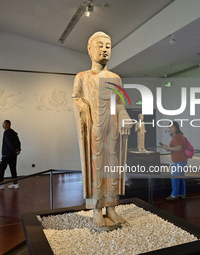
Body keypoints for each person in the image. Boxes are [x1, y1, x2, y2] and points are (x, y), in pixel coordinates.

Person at [72, 31, 132, 228]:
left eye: (108, 46)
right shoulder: (82, 77)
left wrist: (124, 118)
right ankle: (97, 210)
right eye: (100, 45)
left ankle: (112, 208)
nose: (105, 49)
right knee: (96, 169)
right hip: (93, 130)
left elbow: (120, 104)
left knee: (112, 168)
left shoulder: (115, 78)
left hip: (112, 130)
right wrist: (81, 107)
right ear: (90, 50)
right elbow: (76, 99)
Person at [162, 121, 187, 200]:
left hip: (179, 160)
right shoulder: (177, 136)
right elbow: (175, 148)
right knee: (181, 177)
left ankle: (174, 195)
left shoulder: (177, 136)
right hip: (182, 159)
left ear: (176, 127)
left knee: (174, 177)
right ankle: (182, 193)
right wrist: (168, 148)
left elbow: (179, 148)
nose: (170, 129)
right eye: (169, 127)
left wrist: (168, 148)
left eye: (172, 127)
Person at [0, 120, 21, 190]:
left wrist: (13, 150)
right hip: (13, 155)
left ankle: (0, 185)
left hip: (7, 154)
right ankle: (15, 184)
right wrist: (18, 150)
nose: (3, 125)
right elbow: (18, 142)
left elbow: (8, 143)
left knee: (1, 168)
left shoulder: (6, 132)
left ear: (8, 124)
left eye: (4, 124)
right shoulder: (14, 132)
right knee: (13, 169)